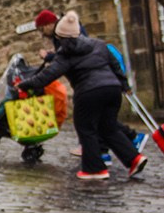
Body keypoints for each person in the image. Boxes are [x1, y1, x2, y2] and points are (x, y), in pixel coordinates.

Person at [17, 11, 148, 181]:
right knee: (108, 128)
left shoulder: (66, 54)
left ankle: (95, 169)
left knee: (86, 128)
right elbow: (114, 64)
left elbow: (47, 75)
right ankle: (134, 159)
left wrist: (24, 84)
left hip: (89, 92)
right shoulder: (99, 44)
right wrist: (124, 85)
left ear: (61, 36)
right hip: (113, 90)